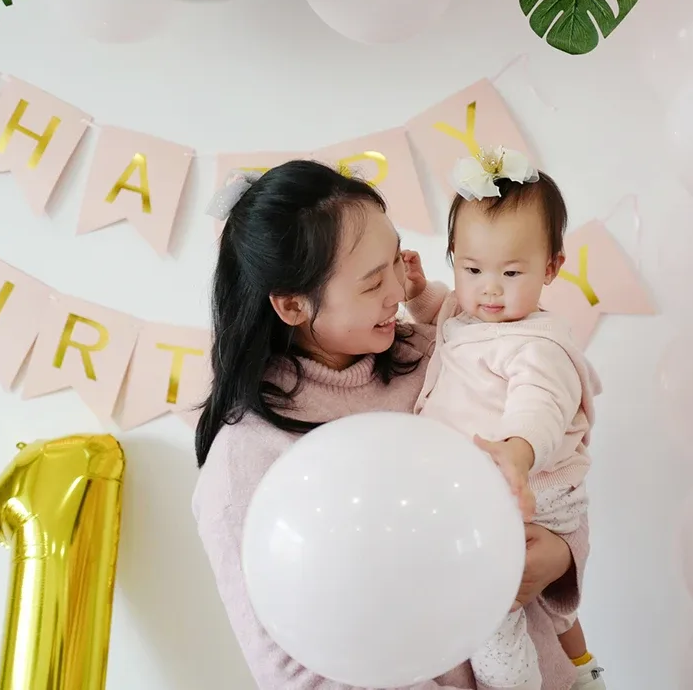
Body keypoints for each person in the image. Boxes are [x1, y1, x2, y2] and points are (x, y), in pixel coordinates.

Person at [191, 160, 590, 690]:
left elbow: (559, 468)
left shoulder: (440, 353)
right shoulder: (247, 460)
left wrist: (559, 555)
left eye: (396, 264)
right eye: (373, 282)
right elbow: (295, 669)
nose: (400, 291)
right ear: (291, 305)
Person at [401, 147, 605, 690]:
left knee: (491, 612)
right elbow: (440, 316)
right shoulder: (464, 312)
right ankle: (584, 670)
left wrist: (516, 450)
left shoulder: (538, 345)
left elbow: (538, 405)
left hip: (531, 483)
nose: (489, 288)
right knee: (552, 609)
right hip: (503, 483)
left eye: (511, 272)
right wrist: (420, 293)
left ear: (552, 267)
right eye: (471, 269)